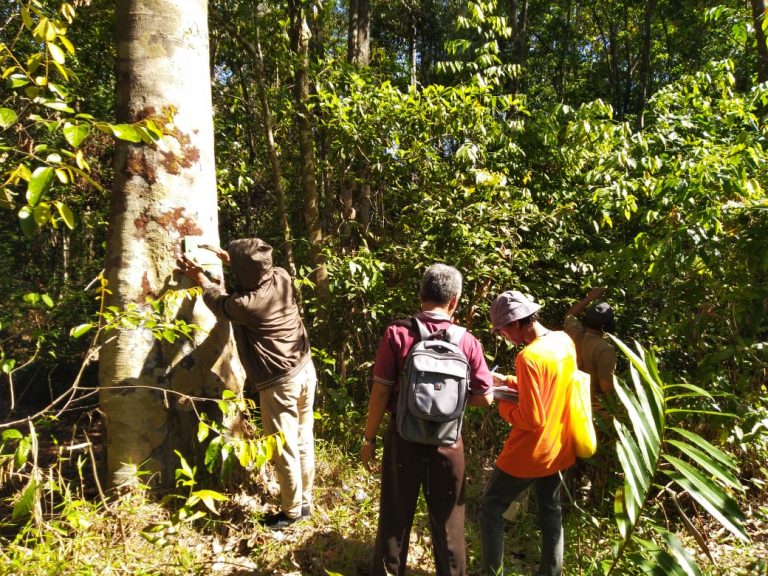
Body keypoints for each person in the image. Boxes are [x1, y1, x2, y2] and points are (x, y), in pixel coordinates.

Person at [361, 264, 494, 576]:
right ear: (454, 301)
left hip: (403, 438)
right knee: (449, 524)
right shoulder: (467, 341)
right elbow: (486, 397)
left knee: (395, 518)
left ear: (421, 295)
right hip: (448, 444)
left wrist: (368, 440)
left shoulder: (398, 333)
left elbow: (380, 393)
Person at [177, 238, 317, 531]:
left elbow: (218, 301)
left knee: (284, 448)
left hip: (281, 384)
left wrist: (200, 277)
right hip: (305, 371)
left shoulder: (246, 305)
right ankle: (304, 501)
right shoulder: (281, 276)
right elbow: (257, 272)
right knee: (303, 439)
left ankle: (292, 513)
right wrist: (232, 260)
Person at [480, 290, 577, 576]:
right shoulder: (563, 341)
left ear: (514, 324)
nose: (504, 338)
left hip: (529, 453)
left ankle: (491, 573)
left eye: (502, 331)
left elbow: (531, 418)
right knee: (550, 511)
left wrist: (501, 405)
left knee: (491, 507)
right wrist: (507, 381)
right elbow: (552, 385)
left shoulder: (528, 357)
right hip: (559, 446)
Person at [563, 287, 616, 395]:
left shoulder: (574, 331)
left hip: (569, 398)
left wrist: (590, 298)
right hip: (593, 406)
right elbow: (606, 387)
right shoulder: (605, 349)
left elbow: (570, 314)